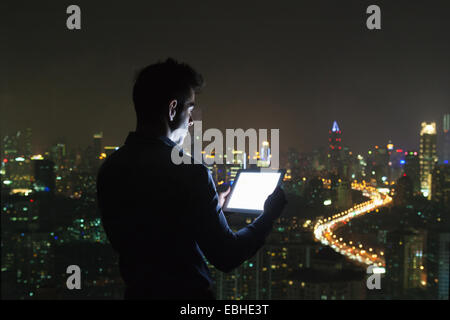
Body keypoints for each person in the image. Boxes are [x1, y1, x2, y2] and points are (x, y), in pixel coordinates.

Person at [96, 58, 287, 300]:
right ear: (173, 108)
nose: (192, 120)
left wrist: (209, 204)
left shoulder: (111, 169)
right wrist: (269, 215)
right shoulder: (190, 172)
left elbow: (154, 229)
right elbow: (226, 255)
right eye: (190, 109)